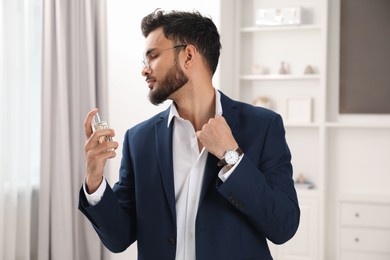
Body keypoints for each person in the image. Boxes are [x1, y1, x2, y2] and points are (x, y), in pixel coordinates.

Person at [79, 9, 300, 260]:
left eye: (152, 56)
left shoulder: (262, 126)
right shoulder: (139, 140)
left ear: (188, 55)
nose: (144, 70)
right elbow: (118, 238)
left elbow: (284, 226)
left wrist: (233, 157)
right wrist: (95, 180)